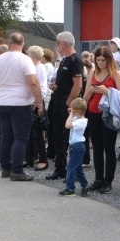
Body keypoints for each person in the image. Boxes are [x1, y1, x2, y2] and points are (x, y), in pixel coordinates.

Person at [0, 33, 44, 178]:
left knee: (6, 136)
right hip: (20, 102)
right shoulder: (25, 59)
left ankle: (5, 168)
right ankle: (17, 171)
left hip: (3, 101)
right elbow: (33, 82)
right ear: (23, 44)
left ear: (9, 42)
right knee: (20, 138)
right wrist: (38, 101)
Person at [82, 46, 120, 193]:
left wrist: (107, 91)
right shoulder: (93, 73)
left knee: (109, 147)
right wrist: (90, 91)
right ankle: (98, 178)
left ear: (109, 60)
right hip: (93, 112)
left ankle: (108, 181)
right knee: (97, 148)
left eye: (103, 60)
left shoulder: (116, 74)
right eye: (98, 60)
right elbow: (85, 98)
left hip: (108, 114)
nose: (100, 63)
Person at [44, 32, 84, 180]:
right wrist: (56, 87)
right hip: (57, 97)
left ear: (65, 43)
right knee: (55, 134)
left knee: (63, 135)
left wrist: (69, 102)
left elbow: (77, 85)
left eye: (57, 42)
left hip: (66, 101)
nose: (56, 45)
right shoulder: (63, 60)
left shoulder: (75, 60)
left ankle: (67, 169)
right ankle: (60, 168)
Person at [25, 45, 50, 171]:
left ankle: (43, 159)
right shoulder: (34, 67)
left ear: (33, 56)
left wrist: (38, 102)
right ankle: (29, 157)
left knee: (38, 132)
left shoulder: (40, 68)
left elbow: (42, 87)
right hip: (31, 101)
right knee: (30, 132)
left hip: (36, 102)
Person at [60, 98, 89, 197]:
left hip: (78, 146)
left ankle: (70, 189)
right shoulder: (77, 119)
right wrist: (71, 113)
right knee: (77, 169)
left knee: (70, 168)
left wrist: (71, 114)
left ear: (78, 111)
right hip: (74, 146)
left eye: (73, 109)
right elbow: (70, 121)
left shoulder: (82, 122)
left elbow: (67, 125)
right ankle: (85, 185)